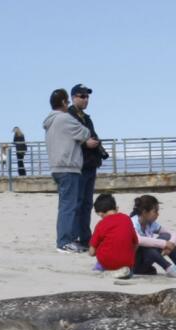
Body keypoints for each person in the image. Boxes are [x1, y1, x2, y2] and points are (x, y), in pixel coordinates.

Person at [44, 88, 95, 253]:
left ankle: (67, 240)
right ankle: (65, 241)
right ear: (66, 102)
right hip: (68, 167)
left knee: (67, 205)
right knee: (69, 206)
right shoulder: (65, 118)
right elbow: (85, 133)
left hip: (57, 167)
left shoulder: (50, 120)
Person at [68, 85, 106, 249]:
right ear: (73, 97)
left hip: (90, 164)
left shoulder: (86, 117)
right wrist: (85, 143)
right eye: (82, 96)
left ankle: (85, 237)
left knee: (87, 204)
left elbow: (92, 135)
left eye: (87, 97)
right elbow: (68, 137)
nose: (85, 99)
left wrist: (97, 146)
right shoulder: (69, 116)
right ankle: (74, 237)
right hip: (78, 165)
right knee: (77, 203)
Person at [128, 194, 176, 279]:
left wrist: (170, 244)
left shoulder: (150, 224)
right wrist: (165, 244)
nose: (158, 214)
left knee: (165, 236)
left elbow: (172, 234)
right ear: (144, 212)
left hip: (145, 261)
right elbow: (139, 240)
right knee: (148, 247)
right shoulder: (132, 222)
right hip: (133, 265)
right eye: (155, 211)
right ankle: (169, 268)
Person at [87, 193, 136, 279]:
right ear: (115, 207)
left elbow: (91, 252)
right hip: (127, 263)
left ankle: (103, 269)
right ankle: (123, 270)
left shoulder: (101, 224)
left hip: (107, 262)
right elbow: (135, 243)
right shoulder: (127, 219)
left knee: (102, 251)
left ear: (101, 214)